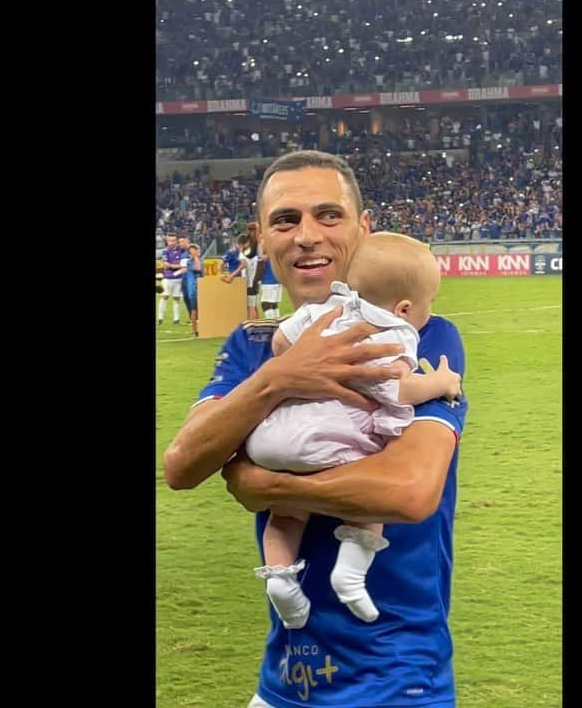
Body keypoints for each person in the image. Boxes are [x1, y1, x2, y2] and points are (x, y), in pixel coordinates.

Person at [163, 150, 468, 708]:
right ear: (263, 237)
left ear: (364, 228)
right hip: (282, 682)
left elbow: (407, 492)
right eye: (286, 220)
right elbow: (182, 465)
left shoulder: (423, 336)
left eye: (329, 215)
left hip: (396, 682)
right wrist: (280, 377)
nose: (307, 235)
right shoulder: (253, 345)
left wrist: (269, 486)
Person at [246, 232, 462, 629]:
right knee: (373, 498)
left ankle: (279, 579)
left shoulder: (325, 308)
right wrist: (442, 383)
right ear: (404, 308)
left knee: (286, 515)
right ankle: (351, 573)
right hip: (334, 439)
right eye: (427, 307)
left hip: (275, 435)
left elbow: (279, 341)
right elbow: (397, 388)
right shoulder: (394, 333)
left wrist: (298, 368)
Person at [172, 243, 205, 337]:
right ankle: (194, 331)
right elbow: (198, 269)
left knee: (203, 310)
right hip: (193, 290)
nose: (198, 252)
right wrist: (195, 257)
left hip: (203, 288)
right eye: (195, 251)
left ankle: (203, 329)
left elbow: (202, 273)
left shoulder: (202, 261)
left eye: (198, 251)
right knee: (194, 310)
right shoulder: (190, 262)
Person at [157, 232, 184, 325]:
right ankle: (160, 318)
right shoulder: (165, 251)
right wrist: (178, 266)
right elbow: (166, 264)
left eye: (173, 240)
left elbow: (182, 264)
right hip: (167, 278)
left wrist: (172, 266)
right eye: (170, 241)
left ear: (176, 241)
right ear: (167, 242)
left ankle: (176, 319)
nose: (171, 242)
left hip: (178, 278)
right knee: (165, 296)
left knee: (176, 298)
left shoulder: (181, 251)